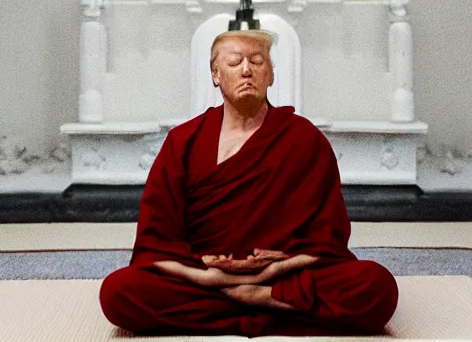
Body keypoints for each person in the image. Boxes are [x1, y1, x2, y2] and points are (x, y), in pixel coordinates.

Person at [99, 29, 398, 337]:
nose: (246, 70)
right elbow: (156, 239)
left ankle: (258, 301)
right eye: (235, 62)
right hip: (205, 275)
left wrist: (274, 270)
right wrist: (211, 278)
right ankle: (278, 309)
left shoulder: (304, 139)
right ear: (215, 75)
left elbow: (328, 234)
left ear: (270, 75)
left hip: (284, 275)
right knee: (118, 292)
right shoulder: (183, 141)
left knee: (378, 287)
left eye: (257, 62)